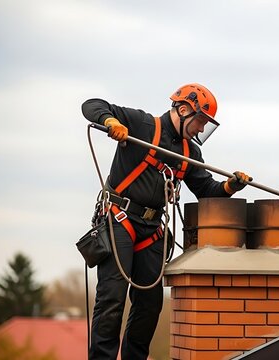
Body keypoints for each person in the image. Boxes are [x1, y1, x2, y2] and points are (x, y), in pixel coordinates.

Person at [81, 83, 250, 359]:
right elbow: (91, 105)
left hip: (151, 229)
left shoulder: (189, 153)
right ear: (183, 110)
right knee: (112, 297)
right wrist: (110, 121)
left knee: (149, 305)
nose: (199, 129)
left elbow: (207, 190)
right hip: (119, 218)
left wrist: (231, 186)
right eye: (199, 122)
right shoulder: (142, 125)